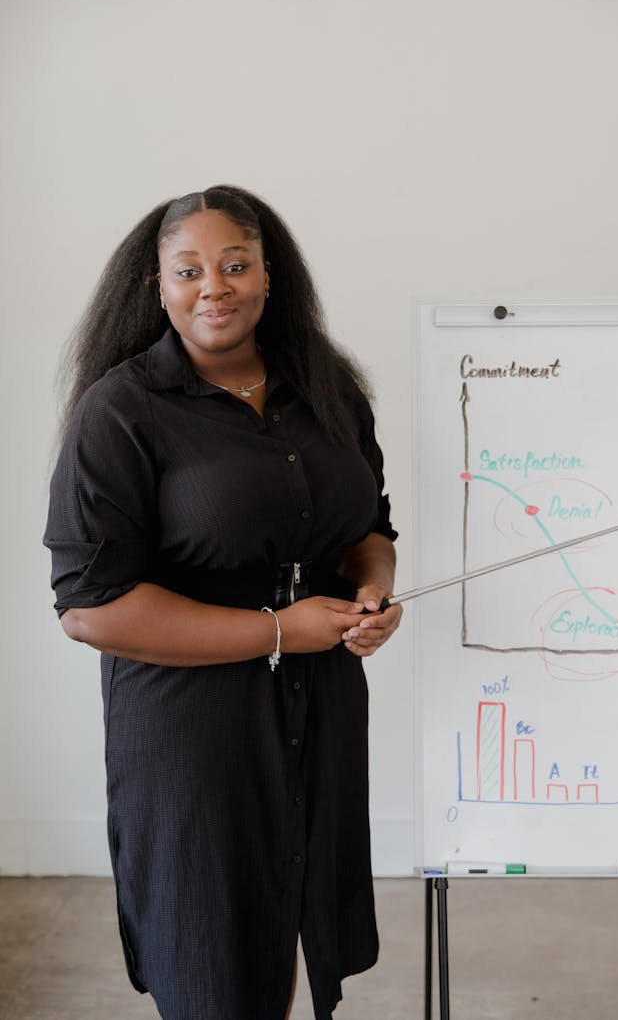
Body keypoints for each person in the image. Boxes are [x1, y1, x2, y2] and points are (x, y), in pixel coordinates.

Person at [44, 185, 401, 1020]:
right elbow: (89, 608)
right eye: (189, 270)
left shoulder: (328, 387)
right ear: (157, 286)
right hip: (192, 726)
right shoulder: (121, 410)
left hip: (322, 699)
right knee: (210, 944)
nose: (215, 287)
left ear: (269, 275)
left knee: (290, 912)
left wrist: (373, 588)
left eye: (236, 265)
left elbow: (370, 527)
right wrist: (278, 630)